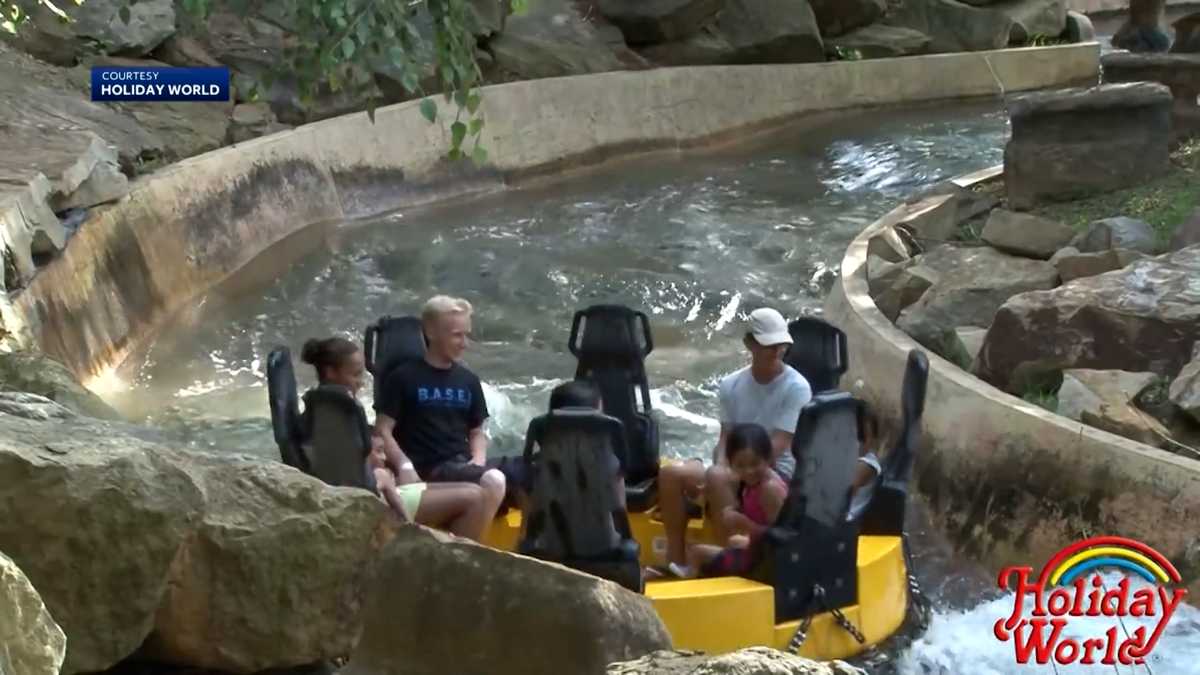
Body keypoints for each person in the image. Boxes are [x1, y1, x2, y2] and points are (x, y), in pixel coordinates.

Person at [654, 307, 812, 578]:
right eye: (768, 345)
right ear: (749, 343)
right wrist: (723, 467)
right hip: (738, 463)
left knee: (717, 476)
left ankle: (729, 561)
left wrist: (730, 474)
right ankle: (677, 560)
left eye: (780, 345)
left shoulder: (797, 387)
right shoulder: (730, 385)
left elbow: (779, 444)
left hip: (773, 468)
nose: (776, 351)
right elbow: (725, 437)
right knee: (671, 474)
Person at [301, 336, 491, 541]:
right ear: (330, 372)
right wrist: (384, 473)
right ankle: (457, 565)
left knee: (473, 490)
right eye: (355, 374)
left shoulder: (319, 405)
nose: (361, 382)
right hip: (373, 498)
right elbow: (361, 473)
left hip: (373, 489)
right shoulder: (342, 412)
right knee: (476, 498)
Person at [372, 295, 527, 523]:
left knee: (528, 470)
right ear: (432, 332)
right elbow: (383, 429)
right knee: (494, 480)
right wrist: (404, 466)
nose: (464, 343)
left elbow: (476, 432)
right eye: (457, 335)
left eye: (466, 335)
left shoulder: (468, 380)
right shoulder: (403, 377)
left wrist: (478, 460)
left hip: (461, 465)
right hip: (427, 468)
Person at [681, 423, 787, 578]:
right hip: (756, 550)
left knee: (698, 554)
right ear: (731, 464)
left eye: (755, 463)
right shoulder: (753, 483)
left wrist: (745, 525)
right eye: (741, 466)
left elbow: (782, 537)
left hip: (764, 562)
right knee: (696, 550)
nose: (748, 471)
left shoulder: (769, 489)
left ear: (768, 459)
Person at [846, 402, 884, 522]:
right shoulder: (845, 457)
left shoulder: (868, 465)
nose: (858, 443)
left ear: (873, 439)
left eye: (863, 437)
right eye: (853, 436)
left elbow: (843, 492)